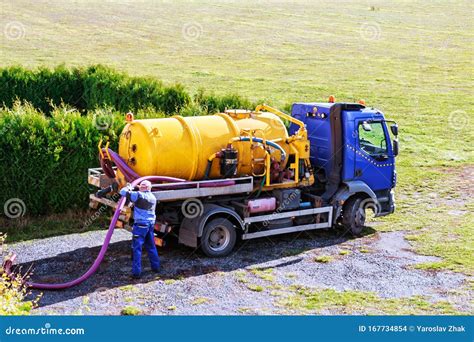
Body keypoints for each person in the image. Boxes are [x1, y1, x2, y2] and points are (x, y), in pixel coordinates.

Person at [120, 180, 160, 279]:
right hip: (150, 225)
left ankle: (136, 273)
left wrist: (129, 188)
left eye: (141, 186)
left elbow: (122, 192)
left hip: (140, 226)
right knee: (151, 247)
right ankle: (156, 268)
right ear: (150, 188)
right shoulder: (153, 197)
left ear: (143, 188)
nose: (140, 187)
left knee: (137, 249)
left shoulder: (138, 195)